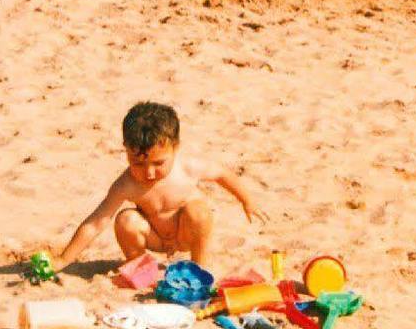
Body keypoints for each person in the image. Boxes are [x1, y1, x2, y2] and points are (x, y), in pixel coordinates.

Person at [55, 101, 264, 270]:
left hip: (185, 235)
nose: (149, 172)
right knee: (125, 219)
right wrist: (64, 259)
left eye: (159, 163)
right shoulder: (126, 184)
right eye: (138, 163)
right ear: (126, 150)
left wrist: (247, 200)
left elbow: (222, 174)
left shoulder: (187, 168)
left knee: (199, 211)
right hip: (153, 237)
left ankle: (199, 267)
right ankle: (139, 267)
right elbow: (96, 223)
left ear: (176, 147)